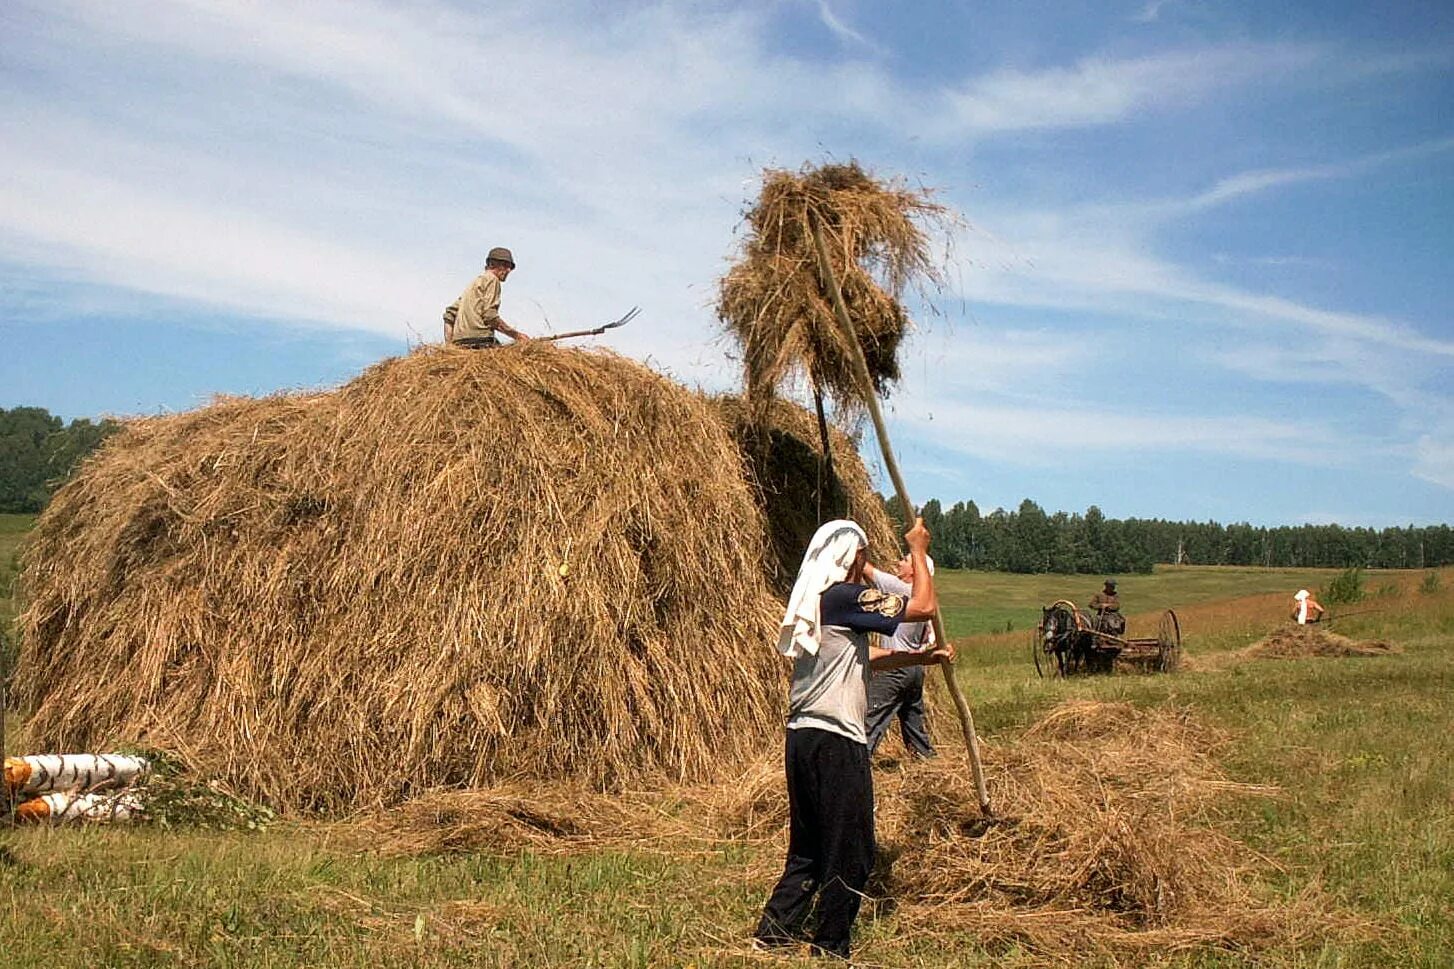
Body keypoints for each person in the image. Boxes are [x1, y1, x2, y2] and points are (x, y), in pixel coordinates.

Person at [754, 517, 953, 960]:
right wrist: (919, 550)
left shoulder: (821, 604)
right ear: (851, 556)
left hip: (802, 737)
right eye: (862, 554)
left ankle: (773, 932)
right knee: (854, 848)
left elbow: (864, 658)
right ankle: (830, 945)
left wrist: (924, 657)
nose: (865, 562)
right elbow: (920, 606)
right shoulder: (845, 596)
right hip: (836, 740)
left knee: (808, 846)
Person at [862, 553, 940, 759]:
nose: (898, 562)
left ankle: (858, 760)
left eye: (905, 561)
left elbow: (865, 568)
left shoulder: (903, 589)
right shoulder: (925, 599)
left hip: (894, 669)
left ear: (915, 571)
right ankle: (926, 760)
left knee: (869, 718)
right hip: (915, 670)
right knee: (914, 725)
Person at [443, 247, 532, 347]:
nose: (508, 270)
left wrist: (449, 346)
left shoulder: (473, 285)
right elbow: (490, 316)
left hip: (461, 343)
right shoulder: (492, 280)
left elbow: (449, 314)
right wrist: (517, 335)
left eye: (510, 267)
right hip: (481, 340)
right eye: (505, 265)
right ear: (492, 264)